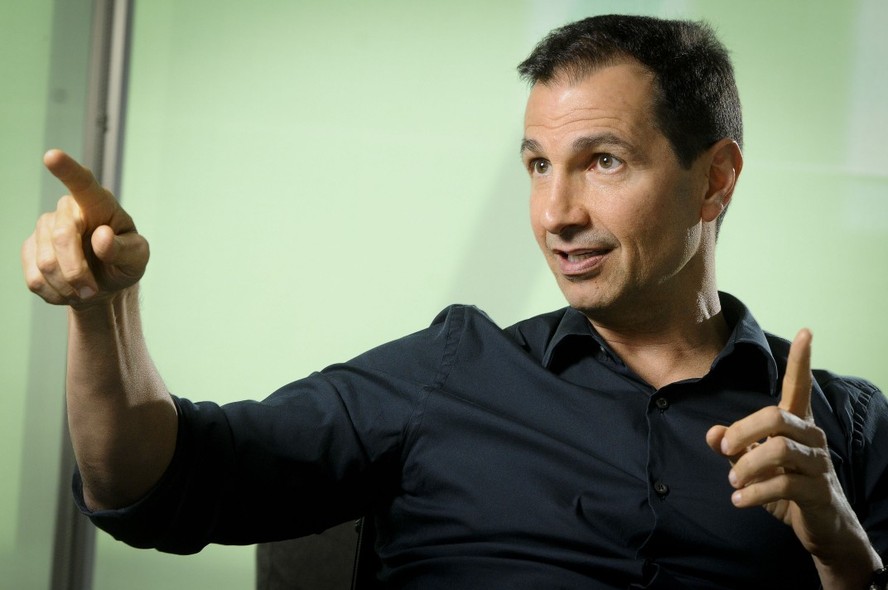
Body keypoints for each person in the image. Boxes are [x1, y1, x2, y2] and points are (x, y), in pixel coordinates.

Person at [21, 13, 888, 590]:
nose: (556, 213)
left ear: (716, 179)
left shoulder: (843, 431)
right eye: (538, 166)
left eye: (604, 161)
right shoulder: (452, 371)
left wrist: (843, 552)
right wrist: (103, 310)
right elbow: (158, 481)